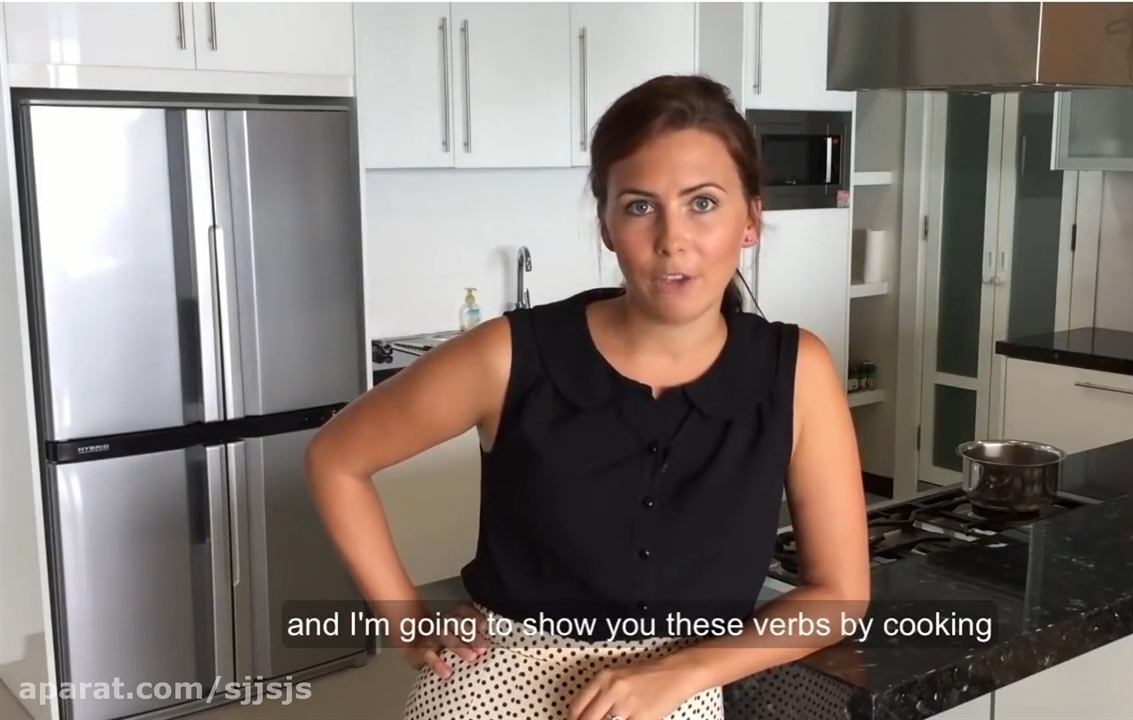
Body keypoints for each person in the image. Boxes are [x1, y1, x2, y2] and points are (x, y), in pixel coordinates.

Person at [305, 74, 871, 720]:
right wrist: (407, 623)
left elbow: (839, 595)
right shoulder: (507, 355)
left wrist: (683, 672)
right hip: (490, 695)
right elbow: (335, 458)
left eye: (703, 203)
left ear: (750, 219)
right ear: (606, 225)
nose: (672, 238)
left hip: (672, 701)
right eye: (639, 207)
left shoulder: (798, 372)